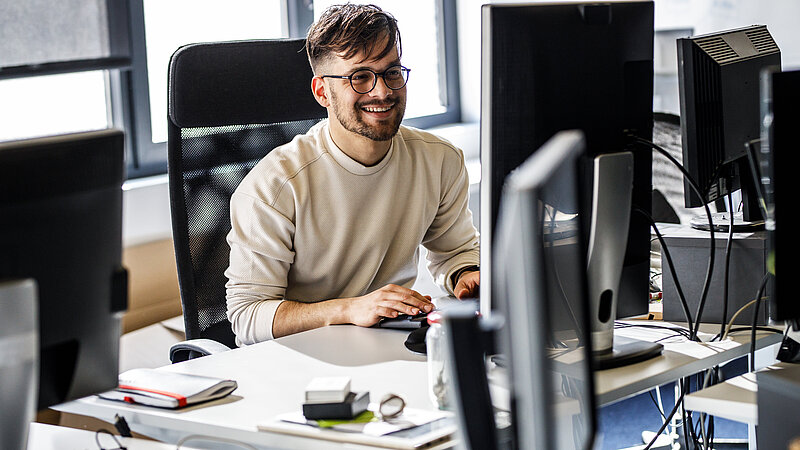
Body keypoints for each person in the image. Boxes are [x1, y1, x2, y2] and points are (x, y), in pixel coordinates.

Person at [225, 3, 479, 345]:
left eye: (391, 72)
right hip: (300, 360)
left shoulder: (439, 160)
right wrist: (348, 310)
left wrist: (467, 274)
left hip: (390, 346)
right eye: (360, 77)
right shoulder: (275, 187)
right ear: (322, 92)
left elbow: (454, 251)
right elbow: (248, 316)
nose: (383, 91)